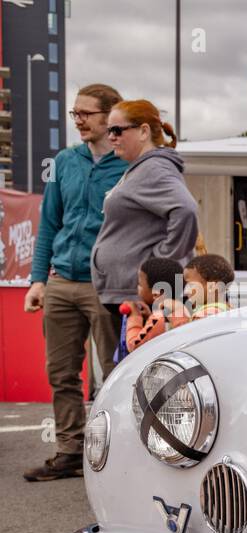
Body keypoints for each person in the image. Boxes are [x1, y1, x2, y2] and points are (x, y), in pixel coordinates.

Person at [22, 83, 129, 482]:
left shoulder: (129, 165)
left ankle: (120, 455)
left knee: (116, 373)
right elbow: (49, 223)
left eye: (87, 114)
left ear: (110, 117)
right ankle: (69, 451)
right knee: (61, 373)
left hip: (108, 286)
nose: (79, 121)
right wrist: (38, 280)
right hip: (62, 282)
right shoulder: (65, 161)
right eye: (75, 114)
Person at [90, 99, 198, 345]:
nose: (111, 137)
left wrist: (159, 264)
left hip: (140, 298)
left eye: (117, 130)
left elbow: (186, 210)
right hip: (132, 295)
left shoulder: (154, 168)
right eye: (109, 131)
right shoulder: (140, 168)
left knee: (132, 375)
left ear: (144, 131)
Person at [122, 256, 188, 353]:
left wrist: (134, 317)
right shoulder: (182, 308)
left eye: (140, 284)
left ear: (158, 292)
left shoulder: (159, 318)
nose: (137, 288)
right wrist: (149, 316)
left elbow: (135, 346)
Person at [182, 254, 235, 318]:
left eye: (191, 285)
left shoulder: (203, 316)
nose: (186, 291)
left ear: (212, 287)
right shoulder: (228, 310)